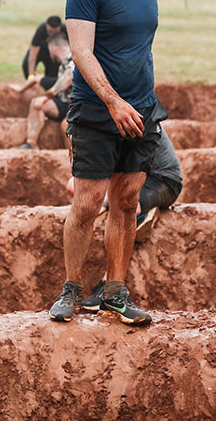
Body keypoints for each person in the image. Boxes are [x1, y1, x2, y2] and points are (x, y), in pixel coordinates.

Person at [49, 0, 166, 327]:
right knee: (87, 203)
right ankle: (71, 289)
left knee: (128, 201)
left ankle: (116, 291)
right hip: (98, 112)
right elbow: (81, 52)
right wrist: (114, 102)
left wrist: (139, 102)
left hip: (141, 112)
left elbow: (142, 48)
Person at [72, 128, 183, 308]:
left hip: (163, 182)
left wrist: (104, 203)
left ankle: (108, 286)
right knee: (83, 190)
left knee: (124, 208)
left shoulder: (130, 119)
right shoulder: (106, 122)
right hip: (138, 181)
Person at [20, 32, 73, 150]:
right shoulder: (62, 65)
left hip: (81, 106)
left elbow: (69, 78)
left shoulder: (74, 58)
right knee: (36, 104)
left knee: (66, 125)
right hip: (66, 103)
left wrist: (46, 96)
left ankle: (73, 159)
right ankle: (31, 143)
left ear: (53, 49)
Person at [19, 15, 68, 86]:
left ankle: (52, 88)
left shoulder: (65, 30)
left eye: (55, 32)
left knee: (53, 73)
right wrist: (31, 76)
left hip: (55, 54)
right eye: (50, 31)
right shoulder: (41, 30)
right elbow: (33, 55)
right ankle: (31, 85)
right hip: (41, 51)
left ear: (60, 28)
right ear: (46, 26)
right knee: (26, 64)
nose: (52, 34)